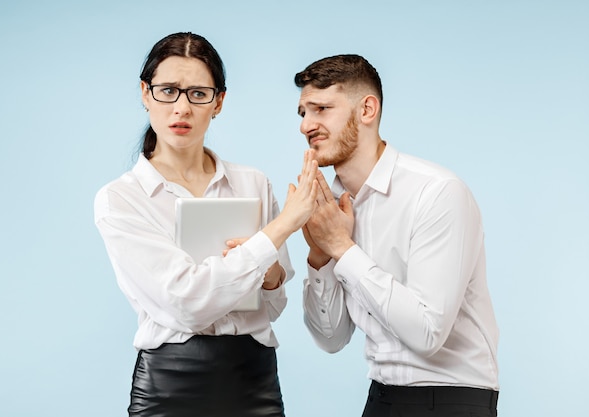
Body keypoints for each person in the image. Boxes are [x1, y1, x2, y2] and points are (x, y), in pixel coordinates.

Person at [94, 32, 319, 417]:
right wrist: (281, 227)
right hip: (170, 388)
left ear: (219, 102)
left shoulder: (253, 183)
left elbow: (273, 305)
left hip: (256, 382)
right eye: (168, 90)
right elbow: (188, 304)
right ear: (146, 94)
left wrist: (269, 275)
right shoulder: (121, 199)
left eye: (198, 94)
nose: (182, 108)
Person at [295, 54, 499, 417]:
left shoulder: (437, 193)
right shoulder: (335, 209)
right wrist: (320, 256)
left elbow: (427, 333)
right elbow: (331, 339)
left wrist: (343, 248)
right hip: (381, 399)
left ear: (367, 110)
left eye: (321, 108)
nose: (306, 125)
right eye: (302, 113)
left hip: (450, 400)